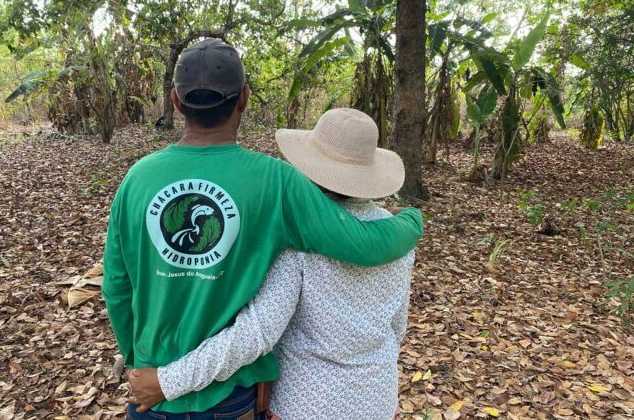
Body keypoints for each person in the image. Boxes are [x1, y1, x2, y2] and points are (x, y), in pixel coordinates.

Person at [102, 38, 423, 420]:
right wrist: (411, 221)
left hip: (152, 390)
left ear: (174, 100)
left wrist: (140, 363)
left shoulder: (137, 179)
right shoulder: (276, 183)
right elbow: (365, 244)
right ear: (244, 99)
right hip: (230, 397)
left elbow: (116, 287)